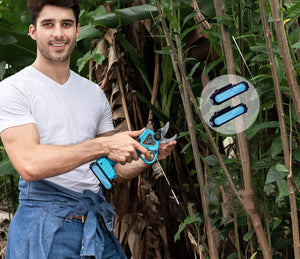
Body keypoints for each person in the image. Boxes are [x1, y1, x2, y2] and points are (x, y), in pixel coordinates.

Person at [0, 0, 176, 258]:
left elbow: (107, 172)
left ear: (77, 31)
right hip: (44, 223)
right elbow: (30, 165)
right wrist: (104, 145)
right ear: (33, 31)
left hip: (93, 226)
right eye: (48, 24)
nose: (58, 33)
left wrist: (146, 158)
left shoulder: (93, 93)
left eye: (67, 24)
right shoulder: (14, 89)